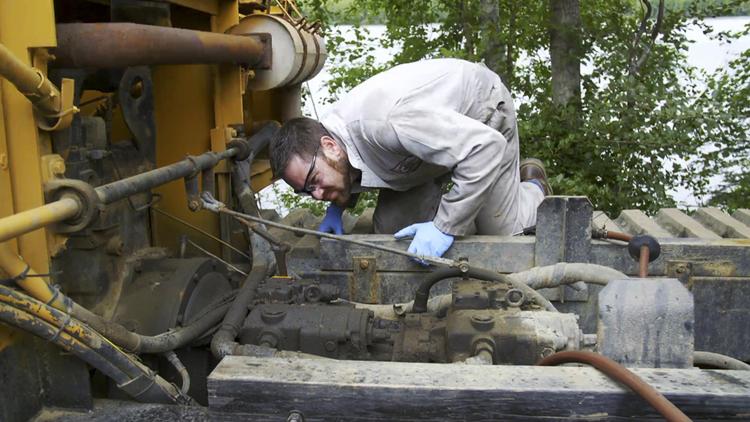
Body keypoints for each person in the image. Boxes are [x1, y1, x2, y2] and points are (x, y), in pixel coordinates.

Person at [269, 58, 550, 262]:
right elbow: (345, 167)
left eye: (314, 182)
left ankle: (534, 187)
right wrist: (337, 208)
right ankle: (463, 199)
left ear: (329, 146)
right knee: (393, 235)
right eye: (305, 191)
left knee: (502, 232)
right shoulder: (330, 136)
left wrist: (444, 227)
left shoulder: (388, 124)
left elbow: (485, 146)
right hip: (420, 150)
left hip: (480, 117)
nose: (316, 196)